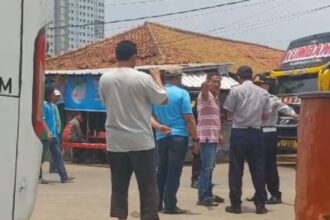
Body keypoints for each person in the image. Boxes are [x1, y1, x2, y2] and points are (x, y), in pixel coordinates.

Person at [99, 40, 168, 220]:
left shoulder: (105, 78)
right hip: (141, 141)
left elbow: (106, 103)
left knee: (119, 186)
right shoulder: (142, 78)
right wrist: (157, 77)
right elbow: (163, 99)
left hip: (115, 142)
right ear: (134, 57)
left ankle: (120, 216)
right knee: (147, 187)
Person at [223, 66, 271, 214]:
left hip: (239, 132)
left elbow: (229, 112)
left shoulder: (235, 90)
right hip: (256, 133)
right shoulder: (263, 93)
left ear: (238, 77)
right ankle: (260, 204)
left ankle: (236, 205)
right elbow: (265, 116)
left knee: (236, 169)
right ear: (252, 76)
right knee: (258, 169)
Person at [151, 68, 199, 214]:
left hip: (161, 136)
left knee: (161, 171)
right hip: (178, 136)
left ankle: (157, 204)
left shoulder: (156, 94)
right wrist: (196, 138)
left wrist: (159, 127)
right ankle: (170, 205)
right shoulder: (182, 93)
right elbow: (189, 118)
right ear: (179, 78)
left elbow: (150, 115)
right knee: (174, 171)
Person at [245, 74, 299, 204]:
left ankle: (275, 194)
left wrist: (294, 115)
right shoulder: (250, 99)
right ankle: (259, 192)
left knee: (269, 166)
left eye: (260, 84)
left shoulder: (272, 99)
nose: (257, 87)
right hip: (254, 132)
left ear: (267, 85)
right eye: (256, 85)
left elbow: (284, 108)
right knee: (255, 166)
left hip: (268, 133)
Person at [196, 72, 225, 207]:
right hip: (206, 136)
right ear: (207, 81)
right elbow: (204, 91)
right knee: (206, 167)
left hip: (213, 136)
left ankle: (208, 193)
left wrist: (219, 134)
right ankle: (203, 197)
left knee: (210, 167)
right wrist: (205, 85)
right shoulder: (205, 96)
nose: (217, 84)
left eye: (219, 82)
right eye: (214, 81)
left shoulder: (216, 97)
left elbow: (216, 118)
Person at [40, 86, 75, 184]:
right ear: (48, 94)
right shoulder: (44, 105)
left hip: (53, 135)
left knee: (58, 156)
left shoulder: (51, 105)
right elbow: (42, 120)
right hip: (46, 136)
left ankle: (64, 176)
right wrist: (48, 132)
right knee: (41, 157)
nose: (53, 96)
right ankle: (38, 177)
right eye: (52, 94)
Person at [49, 89, 62, 173]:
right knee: (56, 152)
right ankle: (55, 168)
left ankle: (54, 167)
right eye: (56, 96)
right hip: (53, 132)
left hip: (57, 131)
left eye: (58, 97)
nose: (57, 98)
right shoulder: (50, 106)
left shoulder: (55, 105)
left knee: (55, 151)